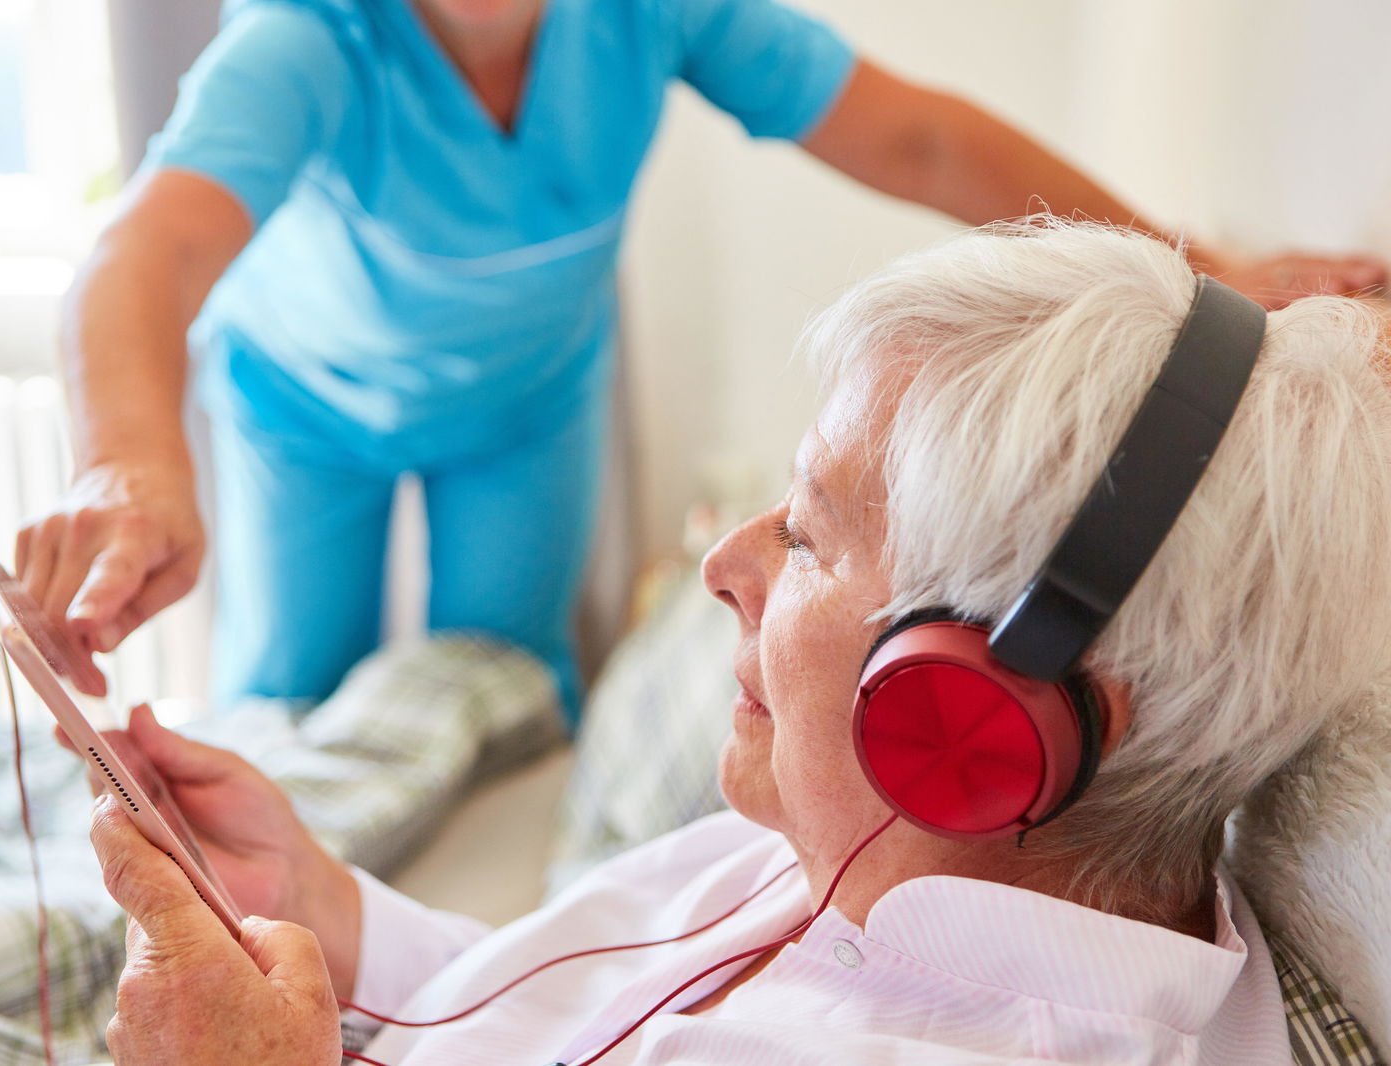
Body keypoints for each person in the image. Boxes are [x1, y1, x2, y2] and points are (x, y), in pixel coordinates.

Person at [84, 220, 1391, 1064]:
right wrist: (332, 912)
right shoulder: (874, 853)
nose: (723, 565)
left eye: (812, 538)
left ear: (979, 719)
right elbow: (564, 1012)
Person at [16, 0, 1386, 722]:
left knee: (503, 684)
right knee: (294, 691)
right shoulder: (305, 40)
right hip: (305, 406)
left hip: (528, 399)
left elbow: (919, 142)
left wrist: (1193, 268)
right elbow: (139, 259)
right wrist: (131, 469)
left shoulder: (652, 11)